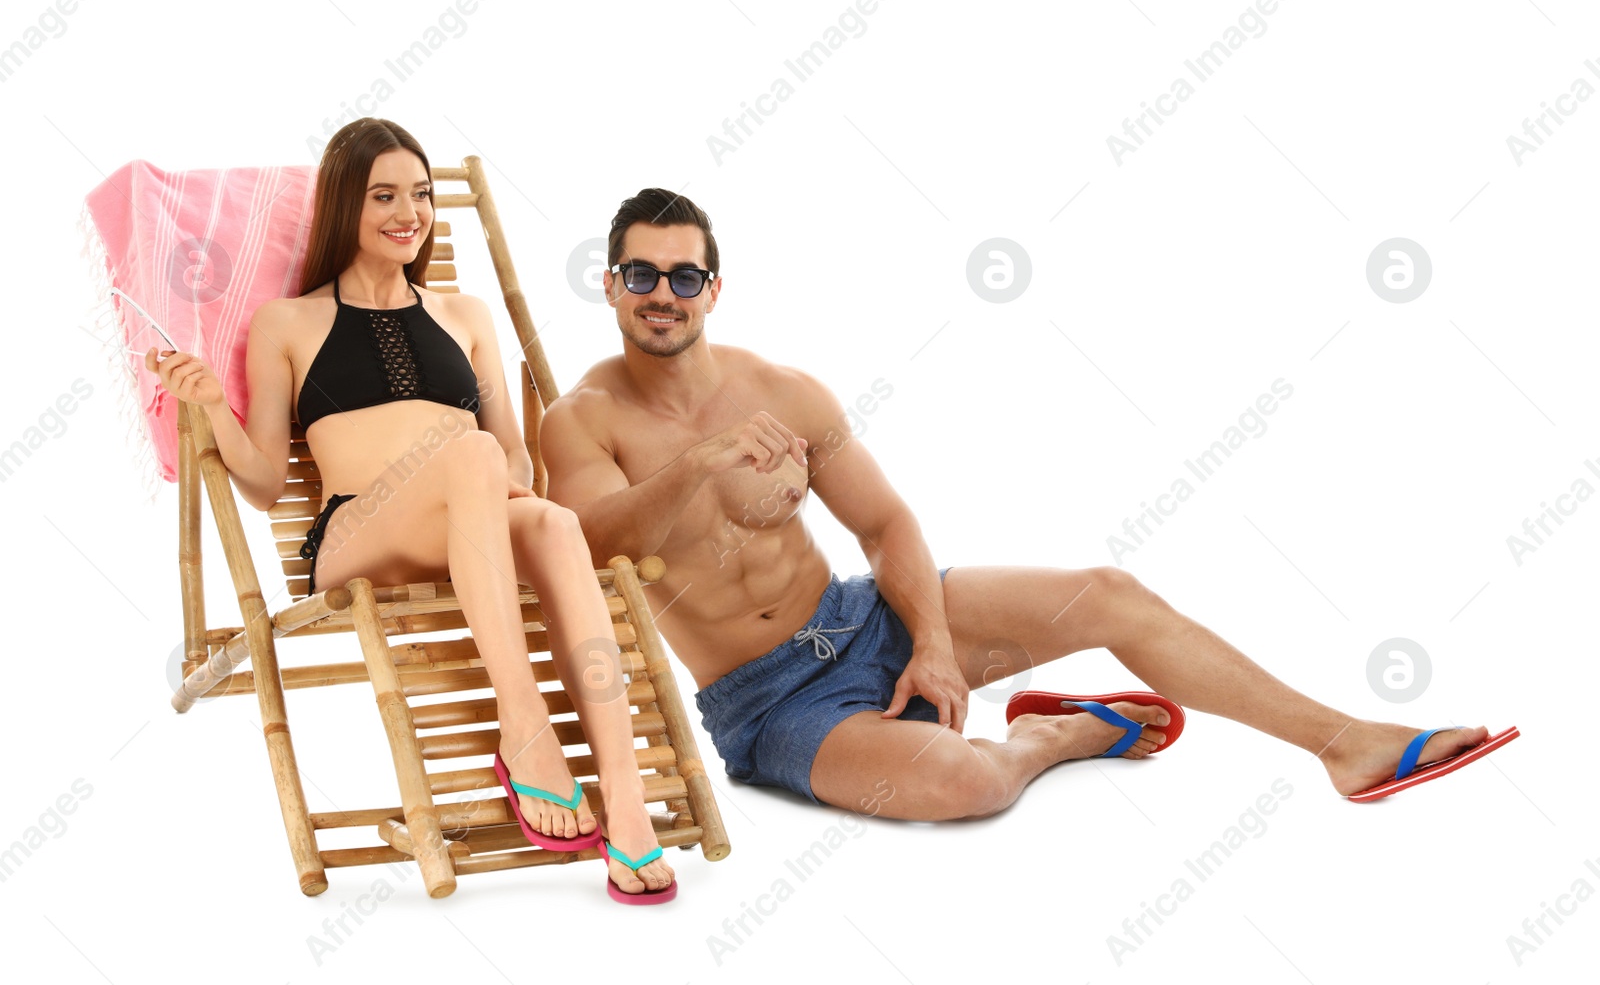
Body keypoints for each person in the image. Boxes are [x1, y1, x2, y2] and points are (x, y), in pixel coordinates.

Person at [537, 187, 1515, 820]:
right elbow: (587, 541)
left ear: (713, 286)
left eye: (680, 274)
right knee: (965, 780)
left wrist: (926, 639)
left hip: (862, 617)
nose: (659, 292)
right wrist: (700, 463)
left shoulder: (785, 388)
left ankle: (1346, 742)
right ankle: (1054, 731)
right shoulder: (580, 420)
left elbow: (884, 524)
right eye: (638, 274)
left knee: (1106, 589)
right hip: (770, 701)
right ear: (610, 284)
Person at [145, 120, 674, 900]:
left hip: (473, 514)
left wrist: (510, 485)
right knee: (473, 455)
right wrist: (217, 409)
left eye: (421, 194)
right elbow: (260, 484)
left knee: (554, 521)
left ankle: (628, 807)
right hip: (359, 532)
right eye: (383, 195)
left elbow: (512, 454)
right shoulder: (288, 323)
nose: (410, 212)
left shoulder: (465, 314)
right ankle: (524, 727)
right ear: (341, 209)